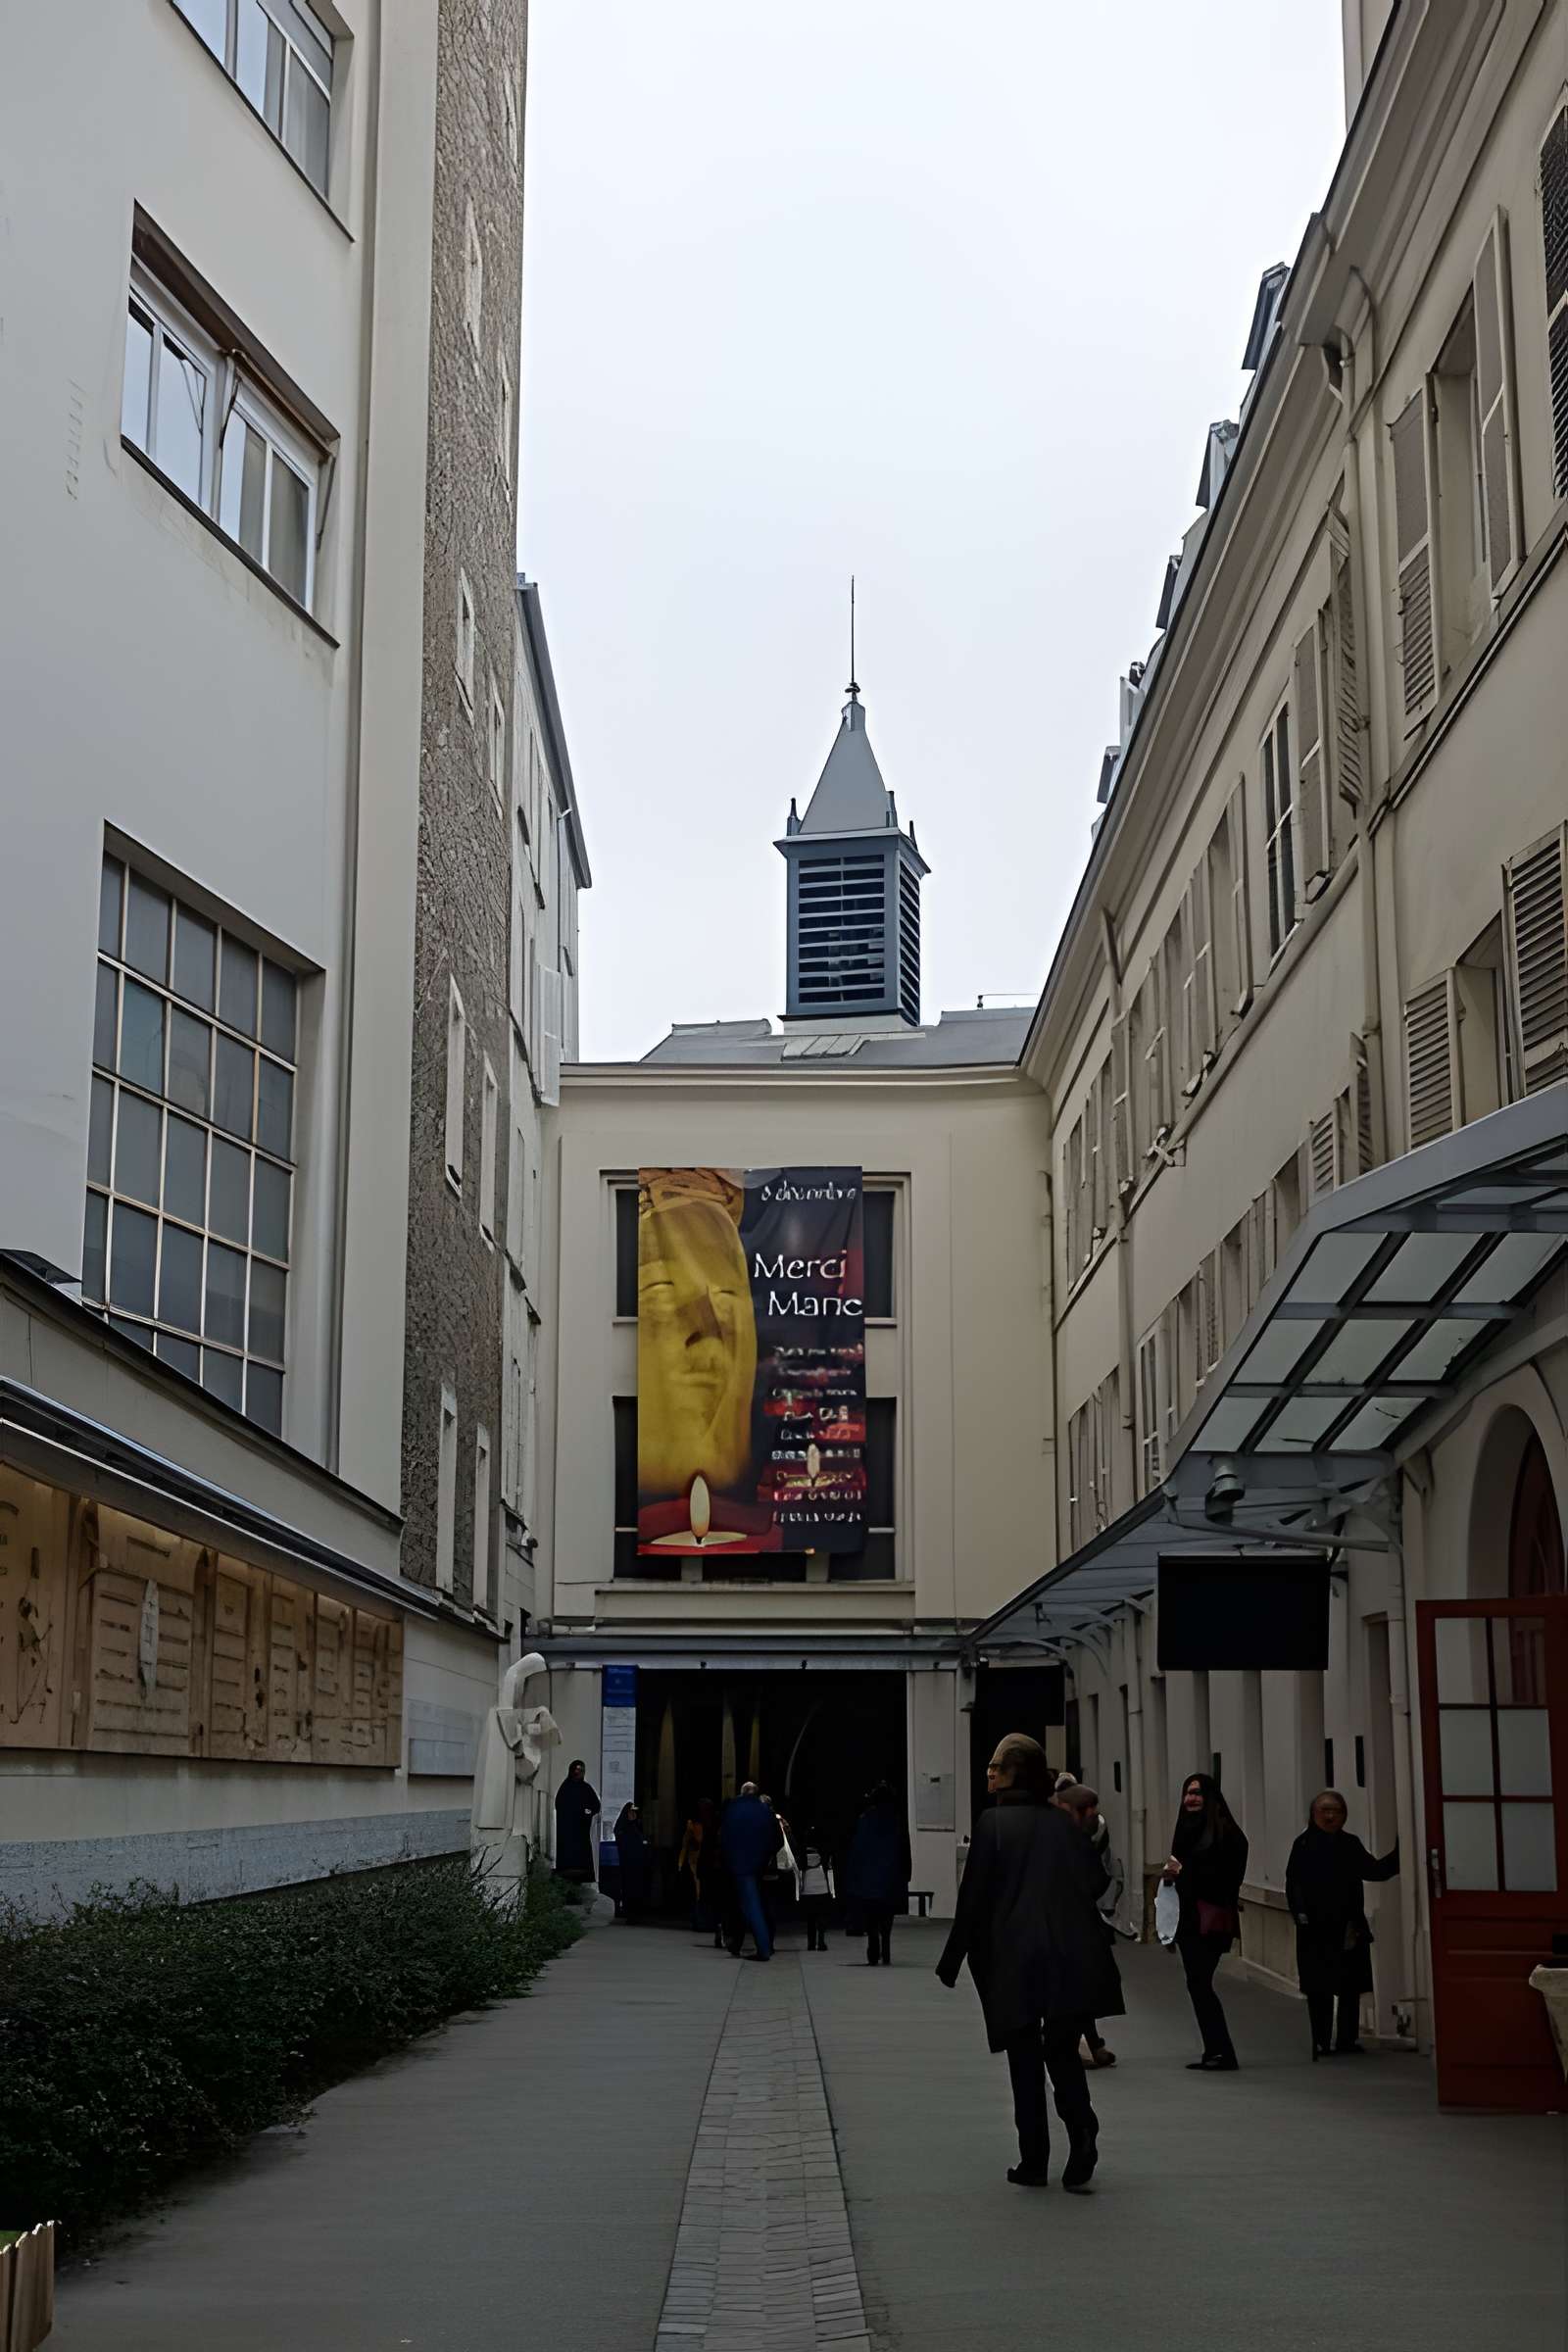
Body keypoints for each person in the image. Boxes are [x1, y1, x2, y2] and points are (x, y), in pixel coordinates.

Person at [936, 1734, 1122, 2192]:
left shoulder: (993, 1824)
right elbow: (1096, 1882)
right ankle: (1082, 2130)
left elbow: (973, 1898)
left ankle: (1034, 2159)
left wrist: (952, 1959)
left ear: (1015, 1774)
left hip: (1015, 1956)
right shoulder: (1062, 1824)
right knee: (1061, 2051)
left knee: (1023, 2057)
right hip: (1069, 1955)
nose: (989, 1773)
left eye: (997, 1766)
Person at [1286, 1791, 1399, 2058]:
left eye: (1336, 1811)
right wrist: (1300, 1914)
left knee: (1350, 1986)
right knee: (1319, 1988)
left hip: (1348, 1926)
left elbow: (1374, 1870)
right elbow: (1293, 1884)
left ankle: (1347, 2039)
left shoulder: (1350, 1844)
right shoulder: (1303, 1845)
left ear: (1344, 1815)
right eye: (1324, 1810)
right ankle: (1321, 2040)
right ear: (1314, 1814)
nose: (1330, 1816)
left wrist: (1400, 1852)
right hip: (1314, 1927)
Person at [1162, 1773, 1249, 2072]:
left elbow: (1225, 1878)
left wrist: (1185, 1874)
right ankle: (1215, 2049)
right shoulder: (1186, 1829)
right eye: (1188, 1792)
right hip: (1187, 1921)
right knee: (1196, 1984)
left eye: (1198, 1793)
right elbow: (1178, 1870)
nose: (1191, 1798)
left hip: (1211, 1920)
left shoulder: (1226, 1833)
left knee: (1200, 1983)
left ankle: (1222, 2052)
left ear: (1210, 1797)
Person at [1060, 1783, 1121, 2069]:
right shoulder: (1075, 1842)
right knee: (1076, 1990)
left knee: (1076, 1990)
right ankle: (1084, 2046)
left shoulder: (1073, 1839)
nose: (1095, 1816)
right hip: (1072, 1926)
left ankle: (1090, 2044)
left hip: (1074, 1925)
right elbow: (1096, 1881)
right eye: (1090, 1811)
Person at [844, 1782, 912, 1966]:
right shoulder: (896, 1821)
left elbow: (857, 1850)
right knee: (887, 1917)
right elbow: (904, 1850)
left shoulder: (865, 1819)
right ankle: (886, 1948)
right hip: (891, 1876)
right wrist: (907, 1873)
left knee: (872, 1917)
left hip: (869, 1878)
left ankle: (873, 1948)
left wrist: (854, 1876)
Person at [720, 1780, 783, 1960]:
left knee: (745, 1906)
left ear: (742, 1792)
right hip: (757, 1865)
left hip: (737, 1864)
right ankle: (763, 1946)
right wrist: (764, 1856)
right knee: (755, 1905)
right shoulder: (764, 1811)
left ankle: (756, 1947)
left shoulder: (733, 1808)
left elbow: (725, 1836)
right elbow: (776, 1840)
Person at [553, 1759, 601, 1883]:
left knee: (582, 1862)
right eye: (576, 1770)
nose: (578, 1773)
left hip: (581, 1832)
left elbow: (596, 1805)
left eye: (581, 1770)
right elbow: (559, 1805)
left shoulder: (586, 1788)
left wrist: (588, 1812)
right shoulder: (565, 1788)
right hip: (567, 1833)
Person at [678, 1797, 720, 1934]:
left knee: (700, 1893)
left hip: (700, 1861)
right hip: (705, 1861)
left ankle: (701, 1921)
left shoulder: (696, 1825)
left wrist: (681, 1862)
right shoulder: (713, 1823)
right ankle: (705, 1922)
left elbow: (686, 1844)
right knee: (704, 1893)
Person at [613, 1801, 652, 1922]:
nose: (633, 1815)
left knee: (638, 1888)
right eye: (631, 1812)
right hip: (628, 1864)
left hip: (639, 1864)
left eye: (634, 1812)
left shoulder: (637, 1826)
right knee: (629, 1888)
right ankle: (630, 1913)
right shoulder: (623, 1828)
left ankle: (637, 1913)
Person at [799, 1827, 835, 1951]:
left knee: (810, 1919)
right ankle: (821, 1942)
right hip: (822, 1888)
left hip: (807, 1888)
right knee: (822, 1917)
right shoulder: (824, 1852)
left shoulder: (802, 1854)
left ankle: (811, 1944)